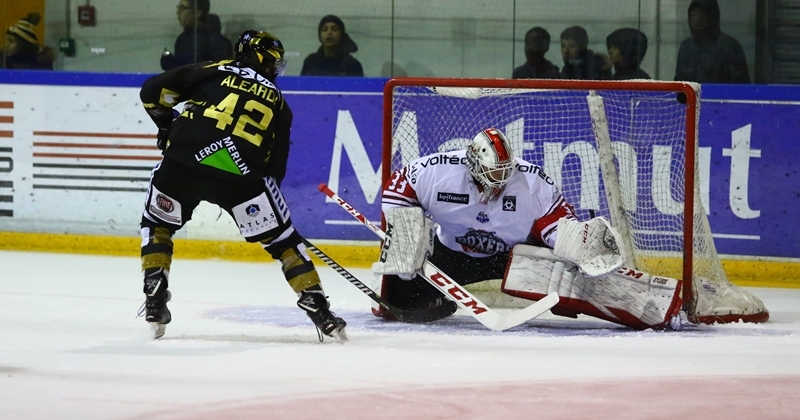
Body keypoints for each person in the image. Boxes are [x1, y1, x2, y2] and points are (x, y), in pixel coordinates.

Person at [139, 30, 347, 341]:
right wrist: (277, 222)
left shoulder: (212, 69)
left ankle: (155, 293)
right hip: (240, 179)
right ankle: (319, 309)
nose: (277, 66)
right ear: (258, 56)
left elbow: (152, 92)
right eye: (274, 59)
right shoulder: (279, 102)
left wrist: (167, 124)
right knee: (285, 245)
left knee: (157, 225)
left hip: (181, 163)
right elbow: (275, 169)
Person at [375, 128, 684, 329]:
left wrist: (576, 243)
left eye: (503, 173)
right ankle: (434, 298)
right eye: (491, 173)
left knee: (566, 275)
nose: (498, 181)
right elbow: (396, 191)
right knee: (400, 299)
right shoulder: (436, 171)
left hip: (512, 258)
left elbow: (556, 226)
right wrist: (405, 234)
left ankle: (651, 305)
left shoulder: (531, 181)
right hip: (450, 257)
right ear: (473, 164)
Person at [675, 0, 750, 83]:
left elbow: (741, 89)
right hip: (691, 96)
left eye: (702, 15)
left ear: (712, 17)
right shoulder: (686, 48)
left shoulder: (729, 47)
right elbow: (679, 87)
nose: (697, 20)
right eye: (694, 15)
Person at [161, 0, 232, 71]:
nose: (178, 12)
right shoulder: (182, 39)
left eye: (183, 8)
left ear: (197, 13)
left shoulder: (215, 41)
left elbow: (218, 73)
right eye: (178, 7)